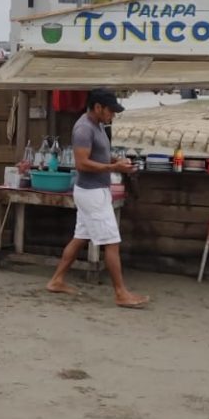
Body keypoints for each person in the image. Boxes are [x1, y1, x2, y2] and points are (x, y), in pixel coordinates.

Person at [47, 88, 149, 308]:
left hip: (93, 191)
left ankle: (56, 280)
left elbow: (98, 155)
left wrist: (117, 162)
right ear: (98, 107)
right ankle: (121, 293)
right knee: (112, 241)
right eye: (110, 110)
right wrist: (113, 167)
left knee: (80, 237)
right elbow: (82, 163)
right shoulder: (83, 128)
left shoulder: (98, 125)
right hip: (92, 193)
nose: (113, 115)